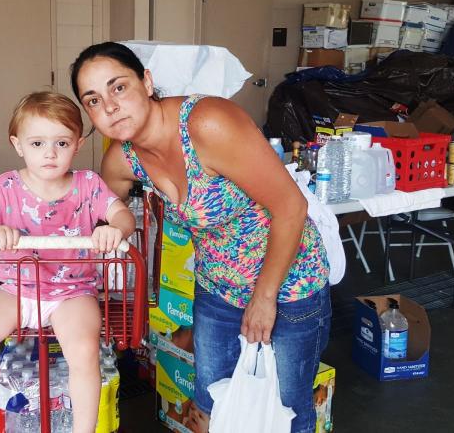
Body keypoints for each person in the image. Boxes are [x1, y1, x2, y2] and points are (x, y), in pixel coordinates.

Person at [71, 42, 330, 433]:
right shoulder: (123, 160)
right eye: (93, 99)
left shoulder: (207, 123)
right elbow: (93, 218)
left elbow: (291, 207)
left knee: (287, 409)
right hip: (217, 288)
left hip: (292, 285)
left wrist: (265, 297)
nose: (109, 106)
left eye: (118, 87)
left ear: (146, 81)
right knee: (211, 403)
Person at [0, 91, 136, 433]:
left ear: (77, 144)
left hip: (73, 291)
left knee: (84, 349)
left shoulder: (88, 185)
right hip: (17, 288)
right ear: (18, 144)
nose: (49, 153)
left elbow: (122, 214)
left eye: (61, 143)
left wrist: (115, 229)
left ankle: (84, 429)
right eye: (37, 143)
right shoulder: (5, 186)